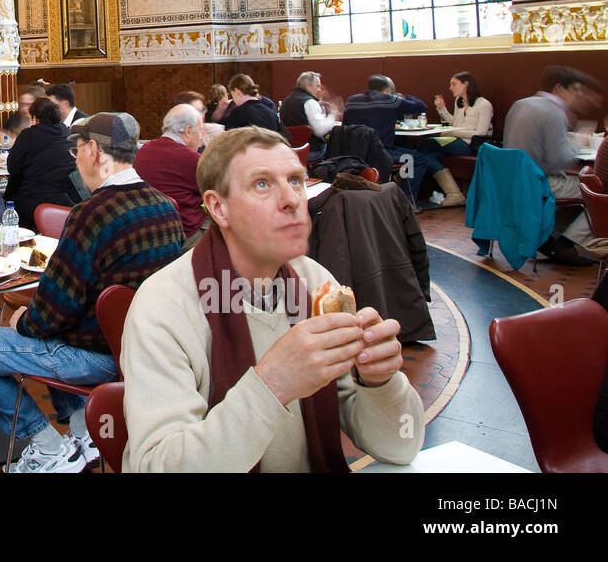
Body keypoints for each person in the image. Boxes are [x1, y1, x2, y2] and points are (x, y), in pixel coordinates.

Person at [121, 126, 425, 472]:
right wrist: (273, 384)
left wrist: (380, 382)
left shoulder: (316, 283)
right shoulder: (163, 307)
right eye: (262, 184)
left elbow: (402, 446)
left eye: (295, 180)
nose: (292, 199)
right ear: (218, 208)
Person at [0, 112, 184, 472]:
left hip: (95, 357)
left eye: (76, 151)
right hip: (144, 353)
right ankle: (83, 434)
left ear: (93, 150)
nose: (74, 160)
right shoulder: (166, 207)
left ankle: (47, 447)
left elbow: (53, 310)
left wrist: (24, 320)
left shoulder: (91, 213)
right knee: (54, 334)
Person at [504, 66, 604, 266]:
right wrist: (580, 141)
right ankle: (568, 242)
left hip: (513, 181)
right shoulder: (553, 111)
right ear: (559, 88)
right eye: (576, 90)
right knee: (599, 193)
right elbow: (557, 161)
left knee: (583, 186)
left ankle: (550, 235)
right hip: (539, 182)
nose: (579, 96)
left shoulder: (520, 104)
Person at [343, 75, 458, 206]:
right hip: (381, 152)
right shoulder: (391, 100)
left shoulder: (351, 101)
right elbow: (421, 106)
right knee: (417, 160)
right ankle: (404, 202)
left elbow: (345, 126)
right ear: (387, 90)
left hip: (354, 153)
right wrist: (404, 96)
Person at [3, 97, 81, 231]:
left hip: (32, 202)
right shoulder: (69, 134)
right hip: (67, 202)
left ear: (35, 118)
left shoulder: (28, 136)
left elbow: (12, 167)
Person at [135, 103, 206, 242]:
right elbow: (218, 191)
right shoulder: (189, 157)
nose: (202, 137)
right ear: (188, 131)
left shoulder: (143, 151)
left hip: (148, 232)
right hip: (184, 233)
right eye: (200, 130)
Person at [430, 71, 493, 155]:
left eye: (454, 84)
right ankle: (439, 168)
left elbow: (480, 133)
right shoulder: (459, 101)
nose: (450, 88)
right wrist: (442, 108)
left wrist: (452, 133)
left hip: (471, 144)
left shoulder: (484, 104)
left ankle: (438, 168)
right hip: (455, 139)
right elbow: (454, 124)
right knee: (428, 149)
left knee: (429, 145)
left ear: (466, 84)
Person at [279, 71, 339, 154]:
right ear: (308, 86)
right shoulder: (310, 102)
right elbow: (320, 131)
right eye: (318, 86)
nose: (319, 89)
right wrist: (333, 115)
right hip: (311, 150)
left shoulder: (287, 100)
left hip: (289, 150)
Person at [223, 74, 288, 138]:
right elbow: (285, 138)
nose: (233, 99)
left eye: (232, 94)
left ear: (237, 91)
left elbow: (228, 143)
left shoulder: (237, 113)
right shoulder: (271, 113)